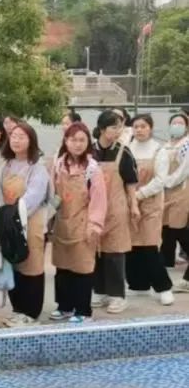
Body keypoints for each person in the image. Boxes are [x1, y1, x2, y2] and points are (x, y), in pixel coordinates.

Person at [0, 122, 50, 326]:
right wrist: (1, 221)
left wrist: (16, 216)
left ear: (31, 141)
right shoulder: (4, 166)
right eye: (13, 136)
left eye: (22, 137)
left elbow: (34, 196)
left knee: (31, 267)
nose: (16, 140)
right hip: (8, 224)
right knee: (13, 265)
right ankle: (17, 309)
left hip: (30, 223)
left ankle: (31, 313)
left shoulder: (37, 168)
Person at [49, 122, 107, 323]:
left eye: (82, 140)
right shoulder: (58, 165)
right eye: (73, 139)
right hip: (62, 223)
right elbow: (53, 194)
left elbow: (99, 200)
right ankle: (64, 306)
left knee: (82, 267)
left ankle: (83, 311)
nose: (78, 144)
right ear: (66, 141)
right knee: (62, 266)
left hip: (83, 224)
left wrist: (94, 225)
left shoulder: (92, 169)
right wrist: (48, 220)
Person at [92, 110, 139, 314]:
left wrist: (134, 205)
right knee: (96, 251)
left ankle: (117, 295)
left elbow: (131, 183)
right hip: (94, 209)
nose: (118, 131)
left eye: (120, 127)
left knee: (115, 253)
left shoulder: (123, 152)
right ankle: (99, 290)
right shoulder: (90, 151)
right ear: (102, 129)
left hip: (116, 209)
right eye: (114, 127)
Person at [126, 114, 173, 305]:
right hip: (130, 204)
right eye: (136, 126)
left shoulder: (159, 150)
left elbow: (160, 180)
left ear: (151, 128)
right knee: (132, 245)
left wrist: (138, 195)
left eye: (143, 126)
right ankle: (138, 285)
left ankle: (164, 287)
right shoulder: (127, 149)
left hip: (150, 204)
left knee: (149, 246)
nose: (139, 130)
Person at [161, 113, 189, 291]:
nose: (177, 125)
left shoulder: (186, 145)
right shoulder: (166, 145)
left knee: (179, 227)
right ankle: (166, 263)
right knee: (167, 228)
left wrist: (168, 181)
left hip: (181, 190)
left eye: (181, 123)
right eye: (174, 122)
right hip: (166, 192)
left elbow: (184, 170)